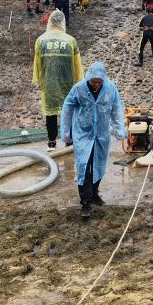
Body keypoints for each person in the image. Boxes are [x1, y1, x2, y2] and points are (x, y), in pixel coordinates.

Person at [60, 61, 127, 218]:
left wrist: (119, 129)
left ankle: (94, 194)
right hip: (83, 133)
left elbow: (116, 108)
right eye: (94, 81)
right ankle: (85, 204)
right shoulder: (78, 89)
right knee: (84, 167)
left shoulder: (110, 88)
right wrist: (65, 132)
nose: (97, 84)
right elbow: (67, 108)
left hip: (102, 134)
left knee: (99, 165)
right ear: (88, 78)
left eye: (99, 82)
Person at [33, 9, 84, 150]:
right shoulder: (70, 40)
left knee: (51, 113)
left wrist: (39, 80)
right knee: (69, 112)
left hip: (49, 83)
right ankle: (69, 141)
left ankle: (51, 142)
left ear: (50, 21)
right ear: (63, 22)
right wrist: (79, 82)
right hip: (68, 83)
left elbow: (38, 64)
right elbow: (77, 65)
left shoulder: (41, 40)